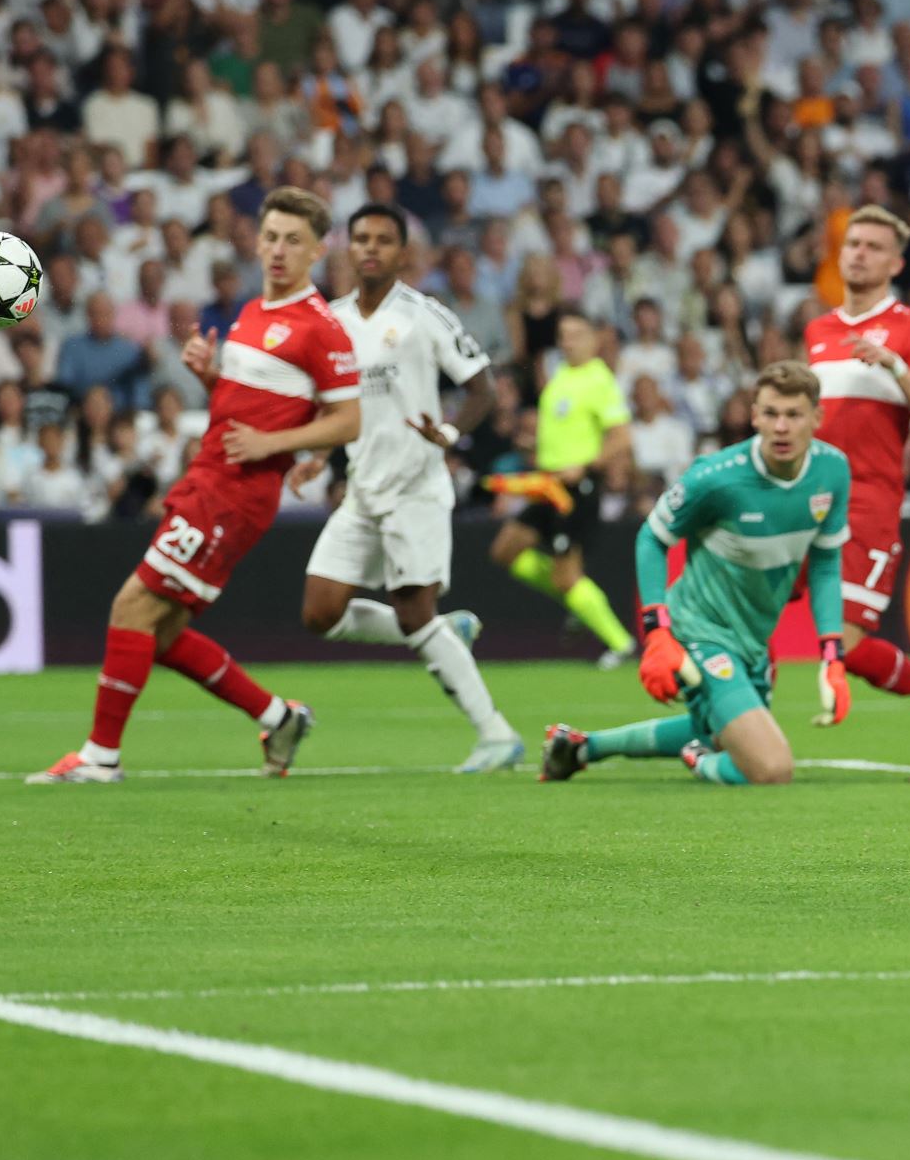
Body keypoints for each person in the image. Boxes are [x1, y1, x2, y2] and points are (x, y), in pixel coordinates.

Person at [27, 187, 363, 784]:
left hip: (235, 494)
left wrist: (272, 448)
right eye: (270, 236)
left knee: (131, 605)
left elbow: (349, 418)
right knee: (163, 631)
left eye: (293, 240)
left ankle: (102, 756)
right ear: (256, 241)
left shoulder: (322, 328)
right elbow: (251, 410)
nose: (278, 250)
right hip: (209, 476)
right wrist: (211, 378)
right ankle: (279, 716)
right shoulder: (254, 313)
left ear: (316, 250)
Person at [289, 203, 524, 775]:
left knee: (414, 608)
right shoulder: (333, 320)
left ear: (403, 254)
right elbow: (336, 403)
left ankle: (497, 734)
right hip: (363, 488)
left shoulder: (427, 315)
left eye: (383, 240)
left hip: (416, 485)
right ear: (348, 249)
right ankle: (445, 633)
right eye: (362, 238)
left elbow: (482, 389)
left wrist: (445, 432)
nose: (370, 248)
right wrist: (318, 452)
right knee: (320, 612)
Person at [541, 360, 852, 785]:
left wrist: (832, 656)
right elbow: (651, 538)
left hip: (754, 638)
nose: (781, 427)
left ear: (816, 418)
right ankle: (698, 759)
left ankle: (580, 747)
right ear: (754, 415)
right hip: (700, 630)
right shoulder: (717, 478)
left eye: (793, 415)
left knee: (725, 732)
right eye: (770, 413)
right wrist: (658, 633)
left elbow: (826, 562)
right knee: (770, 767)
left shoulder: (833, 472)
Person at [801, 204, 910, 764]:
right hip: (801, 497)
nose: (858, 253)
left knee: (848, 647)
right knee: (743, 612)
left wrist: (894, 368)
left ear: (895, 262)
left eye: (873, 246)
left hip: (865, 502)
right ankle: (729, 730)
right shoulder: (819, 329)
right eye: (853, 243)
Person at [487, 309, 637, 667]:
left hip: (576, 488)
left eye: (575, 334)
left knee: (566, 573)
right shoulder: (560, 377)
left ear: (593, 339)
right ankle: (575, 598)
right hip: (547, 485)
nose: (566, 341)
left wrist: (585, 465)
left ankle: (621, 643)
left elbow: (621, 437)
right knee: (505, 550)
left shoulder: (598, 379)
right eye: (563, 334)